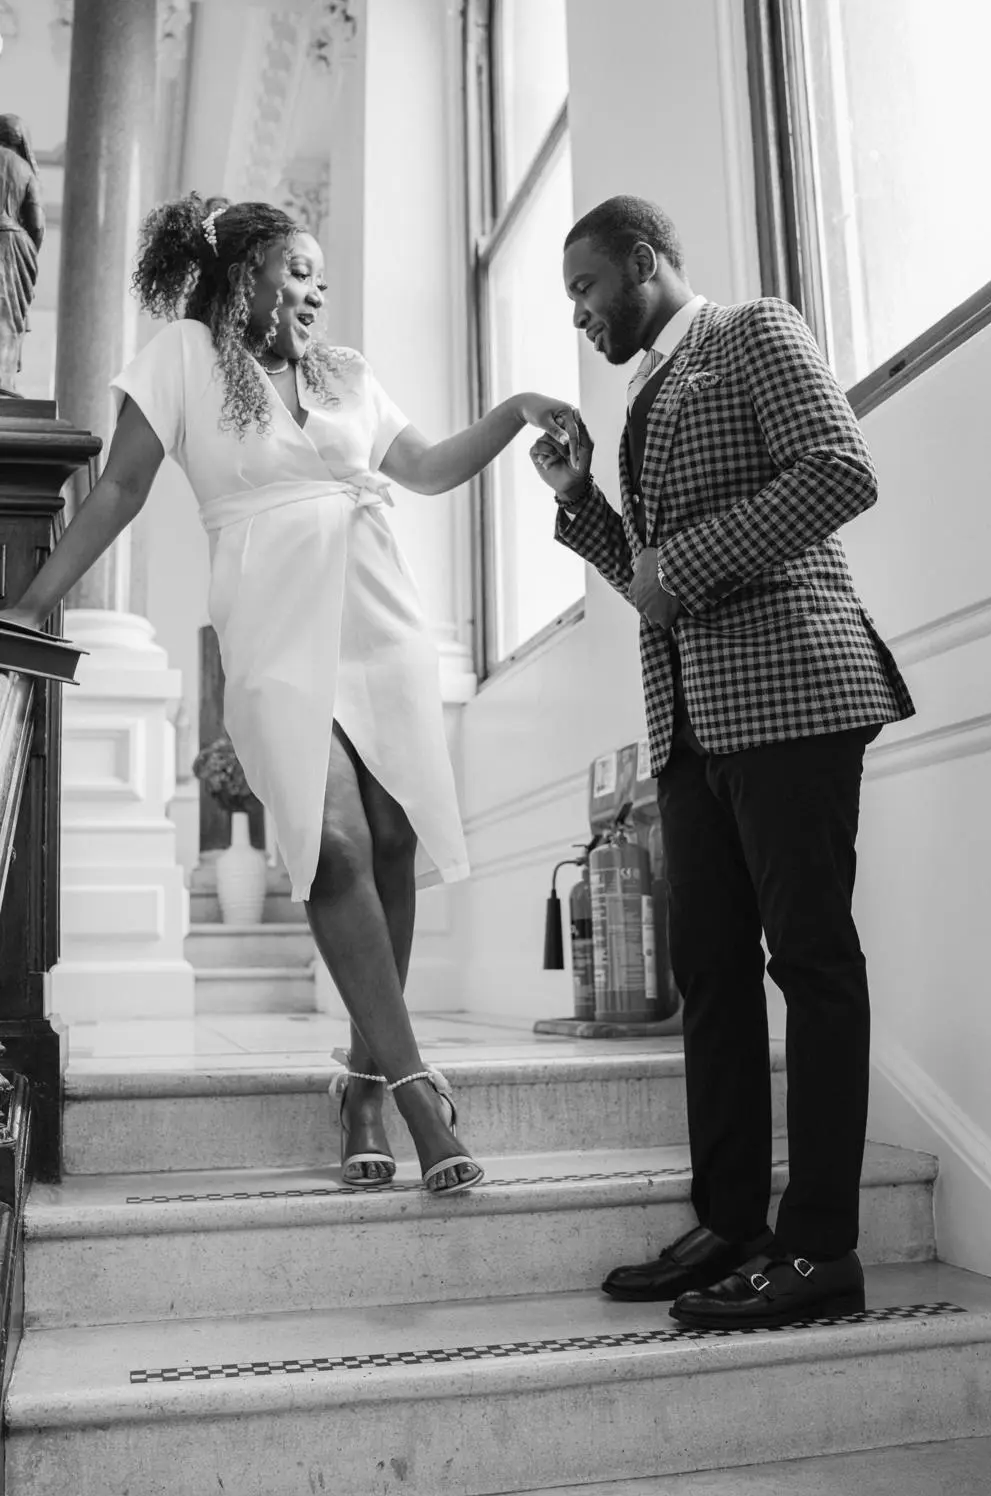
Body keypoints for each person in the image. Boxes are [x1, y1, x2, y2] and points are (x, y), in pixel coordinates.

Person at [1, 193, 583, 1197]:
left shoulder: (347, 373)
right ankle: (411, 1092)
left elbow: (430, 467)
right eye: (299, 270)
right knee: (334, 844)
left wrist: (519, 409)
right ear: (243, 275)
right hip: (272, 625)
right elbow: (121, 489)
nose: (315, 289)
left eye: (321, 276)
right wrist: (30, 603)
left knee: (393, 842)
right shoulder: (179, 356)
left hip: (379, 618)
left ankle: (359, 1079)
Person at [529, 195, 914, 1329]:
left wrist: (682, 561)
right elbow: (653, 584)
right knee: (708, 968)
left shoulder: (751, 331)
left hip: (794, 691)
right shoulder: (647, 392)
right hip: (694, 725)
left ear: (643, 261)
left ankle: (820, 1253)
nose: (579, 316)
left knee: (810, 961)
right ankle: (733, 1220)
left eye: (585, 288)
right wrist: (580, 501)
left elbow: (841, 468)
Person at [0, 115, 45, 392]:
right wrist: (28, 254)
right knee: (7, 314)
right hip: (13, 245)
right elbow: (37, 224)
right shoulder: (25, 170)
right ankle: (3, 379)